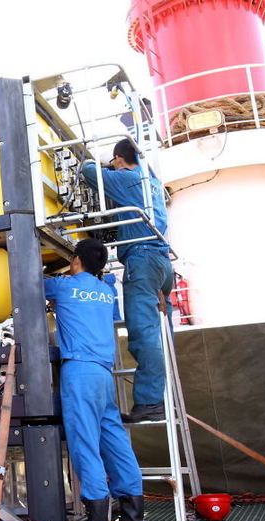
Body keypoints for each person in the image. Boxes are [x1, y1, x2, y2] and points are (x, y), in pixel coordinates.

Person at [45, 238, 148, 521]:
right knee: (115, 443)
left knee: (85, 443)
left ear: (76, 260)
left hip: (79, 372)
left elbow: (24, 283)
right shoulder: (106, 291)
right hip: (104, 374)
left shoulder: (63, 286)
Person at [82, 138, 172, 423]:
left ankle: (150, 402)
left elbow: (87, 171)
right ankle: (160, 396)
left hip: (142, 261)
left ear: (120, 159)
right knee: (160, 335)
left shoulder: (128, 178)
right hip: (162, 262)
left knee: (144, 334)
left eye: (115, 161)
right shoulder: (152, 183)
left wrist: (103, 165)